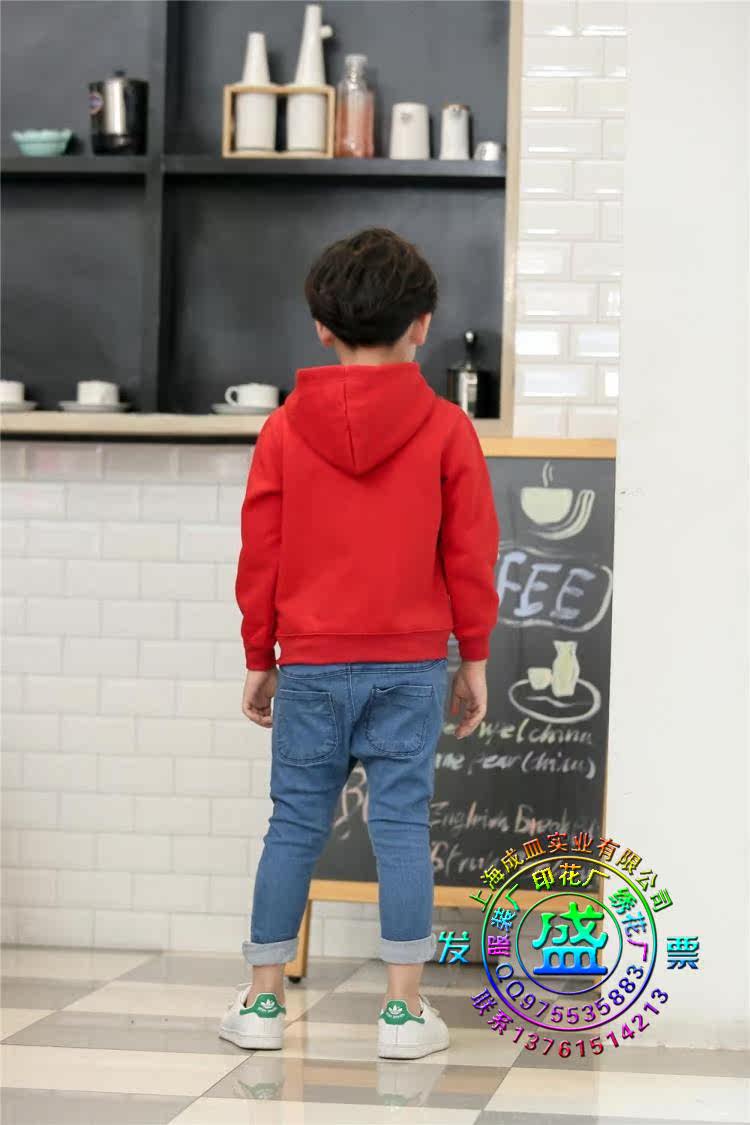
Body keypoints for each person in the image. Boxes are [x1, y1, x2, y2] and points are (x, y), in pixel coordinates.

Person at [219, 228, 500, 1059]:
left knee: (293, 824)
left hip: (310, 663)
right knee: (402, 826)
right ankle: (404, 1014)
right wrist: (474, 655)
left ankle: (264, 1003)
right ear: (423, 324)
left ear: (321, 325)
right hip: (410, 665)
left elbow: (261, 552)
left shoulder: (282, 429)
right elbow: (471, 553)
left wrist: (259, 657)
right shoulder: (447, 428)